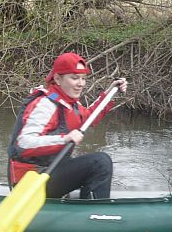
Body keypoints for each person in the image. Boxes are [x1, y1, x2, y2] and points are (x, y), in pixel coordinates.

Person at [7, 52, 128, 199]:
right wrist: (65, 139)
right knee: (100, 162)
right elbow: (24, 144)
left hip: (50, 171)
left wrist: (110, 93)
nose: (81, 84)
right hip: (30, 181)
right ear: (58, 79)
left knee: (90, 164)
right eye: (74, 78)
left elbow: (90, 118)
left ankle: (87, 206)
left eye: (83, 79)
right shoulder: (45, 105)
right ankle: (97, 213)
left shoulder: (70, 103)